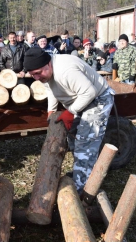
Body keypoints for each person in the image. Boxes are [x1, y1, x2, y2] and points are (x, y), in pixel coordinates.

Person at [23, 47, 114, 193]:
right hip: (79, 100)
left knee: (85, 142)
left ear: (48, 64)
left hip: (97, 99)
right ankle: (82, 172)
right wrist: (51, 111)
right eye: (33, 75)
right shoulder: (44, 73)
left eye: (38, 73)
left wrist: (70, 112)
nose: (37, 78)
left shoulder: (65, 70)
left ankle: (83, 189)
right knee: (73, 136)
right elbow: (50, 88)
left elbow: (89, 92)